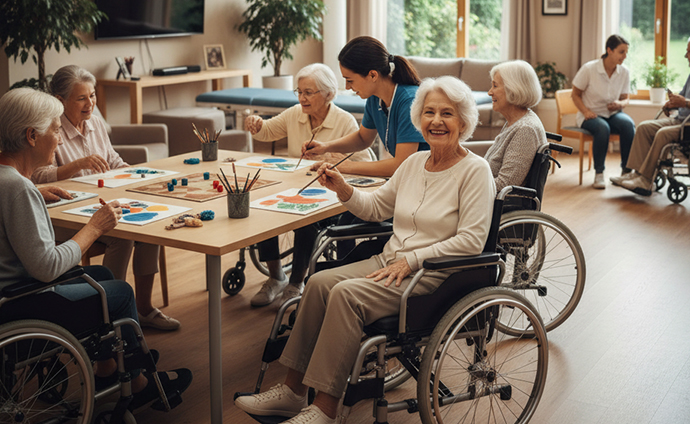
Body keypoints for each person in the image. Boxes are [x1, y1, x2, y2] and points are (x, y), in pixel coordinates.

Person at [233, 76, 496, 424]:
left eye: (446, 113)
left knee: (346, 295)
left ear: (463, 121)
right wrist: (342, 188)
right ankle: (292, 392)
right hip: (390, 263)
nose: (436, 121)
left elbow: (471, 240)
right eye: (429, 112)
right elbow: (375, 208)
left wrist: (412, 260)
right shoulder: (414, 163)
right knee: (319, 283)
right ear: (419, 118)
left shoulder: (475, 171)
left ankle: (325, 409)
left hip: (432, 276)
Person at [0, 87, 192, 411]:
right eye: (55, 131)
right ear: (31, 136)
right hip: (23, 305)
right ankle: (138, 383)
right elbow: (46, 267)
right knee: (121, 292)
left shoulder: (12, 183)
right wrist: (94, 227)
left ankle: (107, 368)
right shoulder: (18, 189)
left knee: (101, 273)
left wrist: (35, 193)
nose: (59, 140)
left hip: (11, 296)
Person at [30, 65, 179, 331]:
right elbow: (37, 176)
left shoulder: (96, 123)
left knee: (149, 225)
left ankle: (143, 308)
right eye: (81, 98)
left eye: (92, 95)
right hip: (63, 214)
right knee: (122, 234)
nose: (90, 104)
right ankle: (111, 314)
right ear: (60, 101)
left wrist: (138, 175)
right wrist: (77, 165)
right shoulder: (51, 129)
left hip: (99, 204)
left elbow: (113, 160)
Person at [243, 63, 369, 306]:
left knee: (306, 221)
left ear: (329, 94)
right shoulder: (295, 114)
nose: (302, 98)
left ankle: (296, 282)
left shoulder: (344, 122)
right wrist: (256, 123)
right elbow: (267, 131)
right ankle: (276, 276)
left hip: (328, 195)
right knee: (261, 208)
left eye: (308, 93)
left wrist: (340, 162)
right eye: (299, 92)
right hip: (293, 189)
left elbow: (364, 162)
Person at [619, 33, 690, 196]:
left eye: (689, 51)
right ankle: (636, 173)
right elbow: (683, 97)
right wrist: (672, 103)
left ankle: (645, 179)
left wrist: (686, 103)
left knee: (663, 134)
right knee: (644, 127)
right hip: (682, 120)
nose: (686, 55)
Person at [302, 36, 428, 177]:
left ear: (373, 75)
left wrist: (347, 166)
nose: (347, 87)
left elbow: (401, 164)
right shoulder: (375, 98)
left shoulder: (409, 101)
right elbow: (363, 138)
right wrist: (325, 147)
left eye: (350, 80)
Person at [572, 35, 636, 189]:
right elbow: (575, 94)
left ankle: (626, 171)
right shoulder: (589, 69)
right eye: (621, 52)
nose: (624, 56)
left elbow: (625, 98)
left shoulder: (624, 72)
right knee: (602, 128)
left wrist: (619, 104)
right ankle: (599, 173)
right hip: (591, 115)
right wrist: (585, 111)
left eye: (626, 53)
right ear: (609, 50)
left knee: (628, 125)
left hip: (612, 114)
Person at [485, 60, 548, 193]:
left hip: (496, 201)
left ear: (513, 89)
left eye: (495, 86)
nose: (490, 92)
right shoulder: (515, 121)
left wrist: (466, 184)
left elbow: (504, 185)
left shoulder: (525, 130)